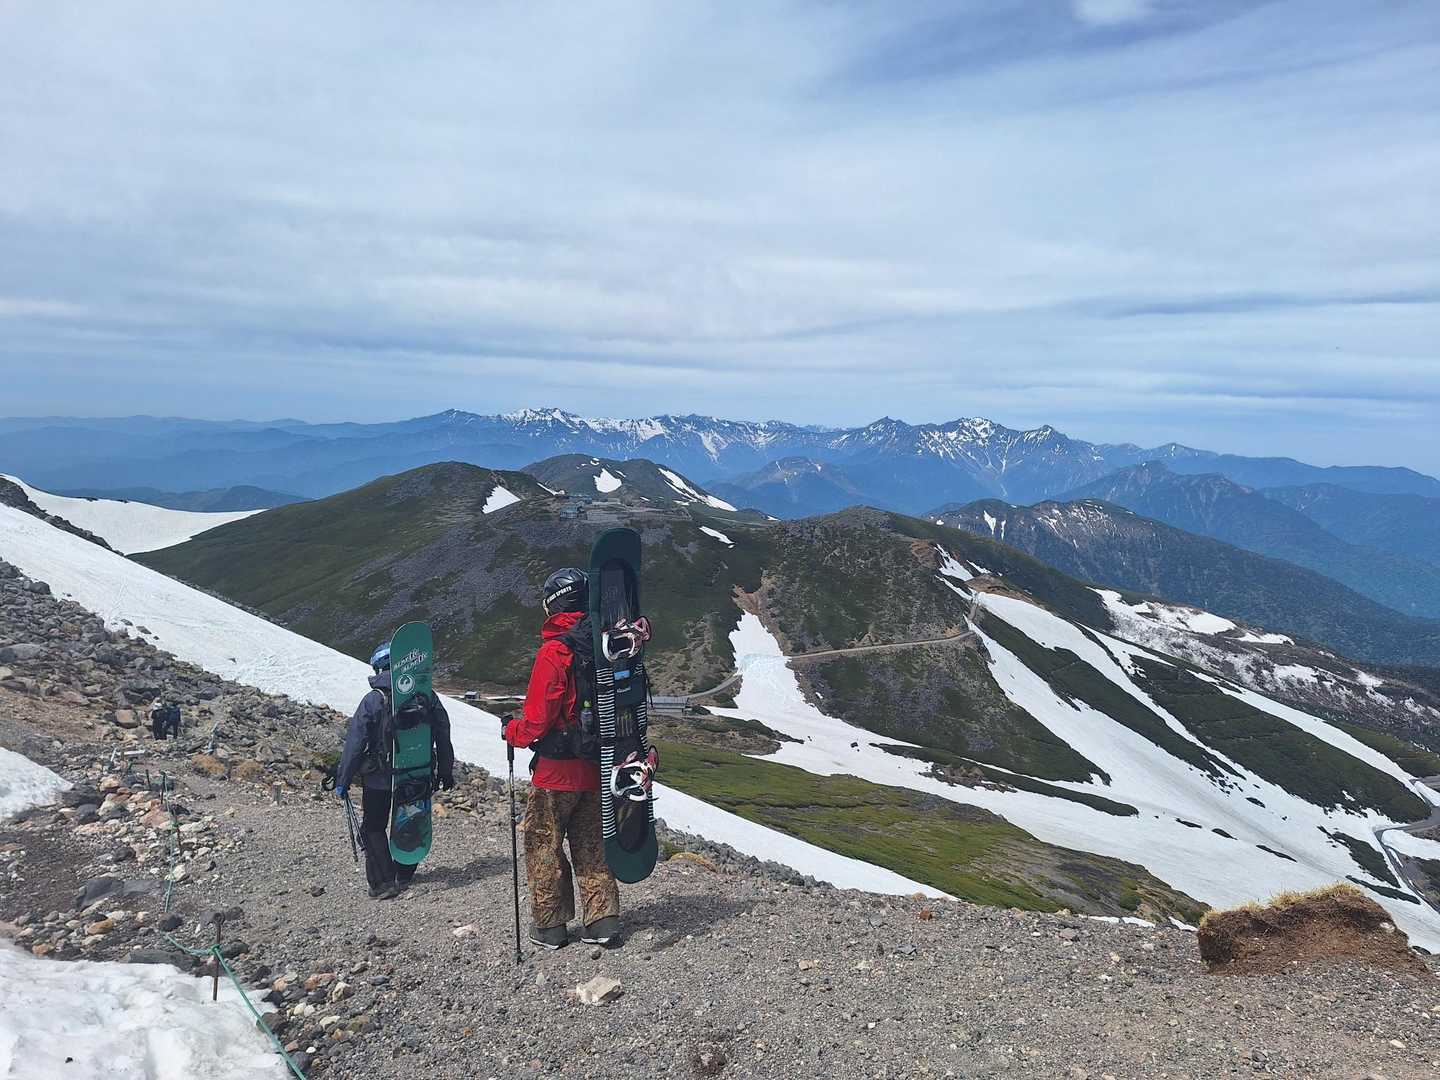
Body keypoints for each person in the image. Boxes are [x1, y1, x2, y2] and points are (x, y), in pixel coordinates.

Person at [502, 568, 621, 949]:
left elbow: (537, 721)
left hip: (555, 773)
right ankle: (603, 921)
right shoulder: (608, 646)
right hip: (597, 766)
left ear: (553, 606)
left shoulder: (555, 651)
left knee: (543, 845)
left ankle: (550, 927)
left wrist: (511, 731)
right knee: (593, 845)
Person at [337, 641, 455, 899]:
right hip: (417, 774)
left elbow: (355, 742)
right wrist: (445, 771)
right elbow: (443, 734)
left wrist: (343, 780)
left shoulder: (374, 699)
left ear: (379, 668)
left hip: (379, 778)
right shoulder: (427, 697)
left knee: (373, 827)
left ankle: (383, 883)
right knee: (411, 820)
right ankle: (404, 872)